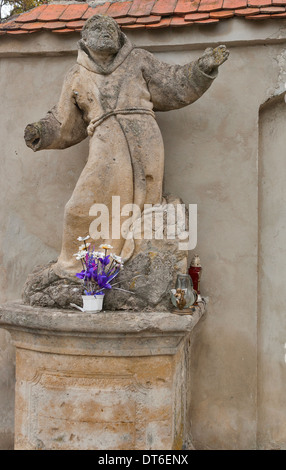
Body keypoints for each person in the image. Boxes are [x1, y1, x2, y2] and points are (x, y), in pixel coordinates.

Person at [24, 14, 229, 279]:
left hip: (145, 140)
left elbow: (173, 83)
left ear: (120, 35)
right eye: (98, 28)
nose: (106, 32)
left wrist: (202, 67)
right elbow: (64, 121)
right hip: (105, 144)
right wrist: (42, 131)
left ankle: (124, 268)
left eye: (111, 27)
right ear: (84, 38)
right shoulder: (76, 74)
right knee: (79, 207)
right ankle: (77, 269)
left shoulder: (139, 59)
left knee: (141, 211)